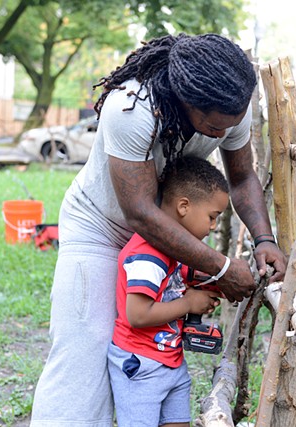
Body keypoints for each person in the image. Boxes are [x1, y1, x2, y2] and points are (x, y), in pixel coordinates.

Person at [30, 33, 287, 427]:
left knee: (147, 355)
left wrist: (264, 239)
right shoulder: (132, 108)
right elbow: (140, 214)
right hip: (101, 229)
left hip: (161, 237)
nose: (221, 135)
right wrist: (219, 268)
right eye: (213, 126)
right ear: (188, 100)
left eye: (229, 126)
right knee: (83, 357)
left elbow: (241, 177)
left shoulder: (229, 108)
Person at [108, 156, 227, 427]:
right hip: (142, 365)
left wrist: (222, 280)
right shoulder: (148, 255)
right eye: (212, 217)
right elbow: (137, 315)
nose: (213, 226)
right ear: (183, 206)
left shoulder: (171, 252)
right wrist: (189, 303)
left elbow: (180, 277)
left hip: (171, 361)